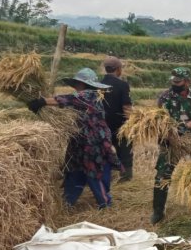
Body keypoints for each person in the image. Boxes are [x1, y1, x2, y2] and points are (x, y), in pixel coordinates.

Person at [27, 68, 121, 209]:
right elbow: (70, 104)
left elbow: (68, 99)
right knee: (74, 171)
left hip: (93, 143)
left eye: (77, 83)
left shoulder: (89, 96)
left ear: (83, 84)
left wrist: (42, 101)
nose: (76, 86)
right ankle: (67, 203)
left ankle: (105, 204)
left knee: (94, 173)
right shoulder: (84, 97)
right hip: (80, 142)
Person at [151, 67, 191, 224]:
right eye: (173, 81)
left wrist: (188, 125)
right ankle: (158, 211)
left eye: (178, 82)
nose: (175, 84)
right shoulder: (165, 96)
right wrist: (169, 130)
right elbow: (160, 118)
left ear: (187, 81)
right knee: (162, 176)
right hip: (170, 141)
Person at [101, 56, 134, 182]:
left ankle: (105, 174)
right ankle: (125, 176)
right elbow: (126, 106)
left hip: (102, 124)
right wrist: (131, 124)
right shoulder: (122, 85)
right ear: (118, 69)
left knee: (104, 149)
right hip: (119, 124)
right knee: (125, 148)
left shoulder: (98, 84)